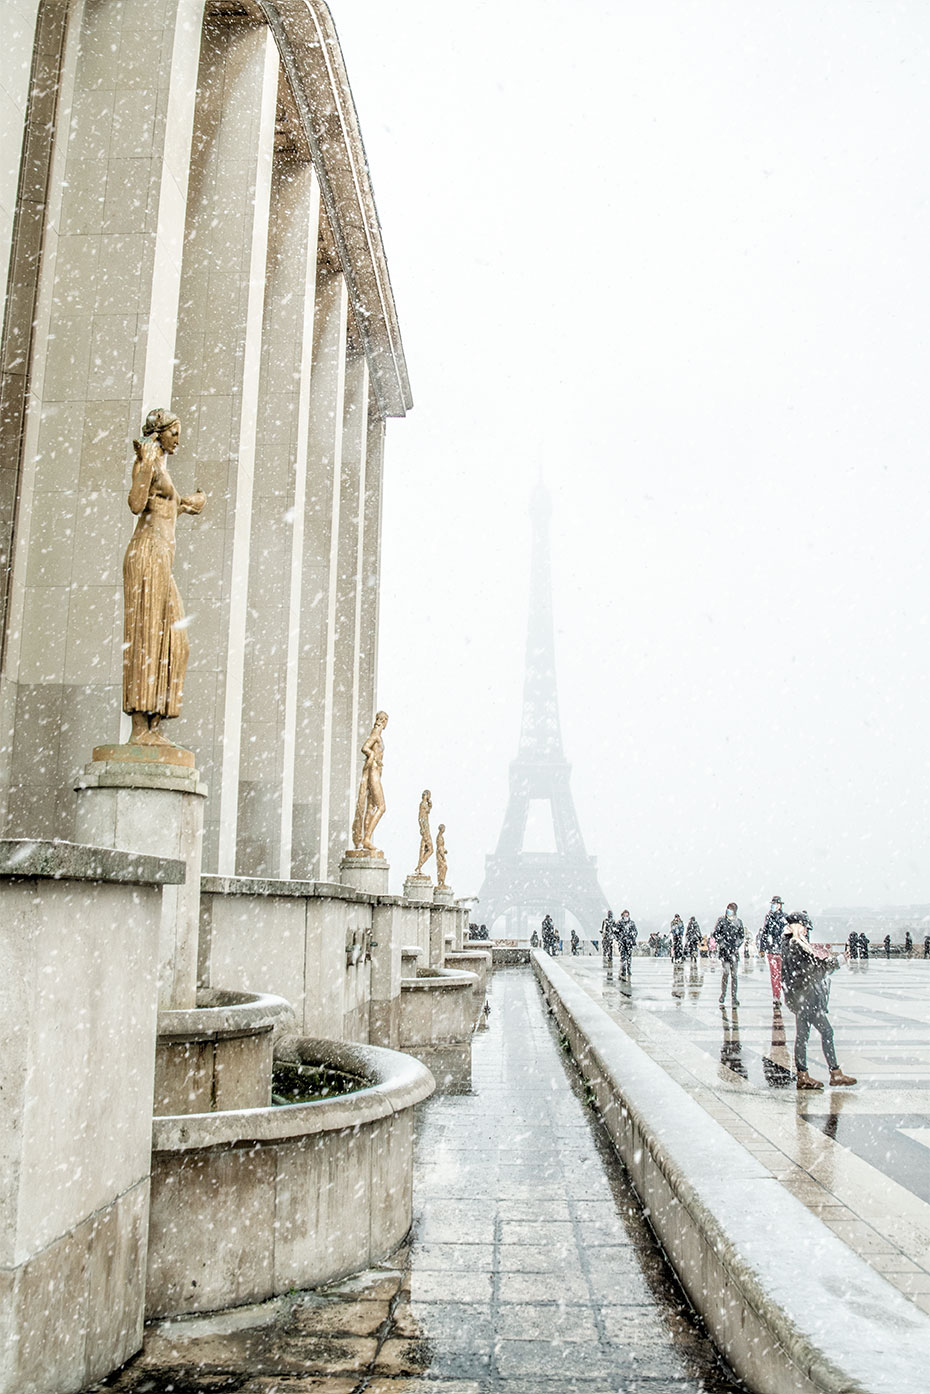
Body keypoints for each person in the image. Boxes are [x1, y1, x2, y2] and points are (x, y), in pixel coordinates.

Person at [123, 408, 205, 745]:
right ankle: (141, 727)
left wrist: (186, 504)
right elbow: (135, 502)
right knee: (146, 637)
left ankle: (155, 723)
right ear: (159, 433)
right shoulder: (150, 460)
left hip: (160, 558)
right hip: (146, 555)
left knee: (176, 642)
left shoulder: (161, 464)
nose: (178, 439)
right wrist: (145, 460)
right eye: (174, 432)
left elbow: (161, 507)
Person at [782, 911, 856, 1090]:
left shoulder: (790, 945)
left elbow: (811, 968)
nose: (807, 931)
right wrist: (838, 961)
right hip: (806, 998)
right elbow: (815, 969)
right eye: (806, 928)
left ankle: (804, 1075)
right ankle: (833, 1073)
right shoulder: (795, 945)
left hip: (801, 997)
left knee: (802, 1036)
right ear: (798, 927)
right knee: (826, 1032)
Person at [713, 902, 745, 1006]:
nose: (729, 911)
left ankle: (734, 997)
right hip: (725, 952)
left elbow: (741, 936)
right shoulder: (722, 921)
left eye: (731, 909)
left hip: (734, 952)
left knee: (734, 975)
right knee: (726, 972)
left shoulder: (738, 922)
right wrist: (722, 943)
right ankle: (723, 994)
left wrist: (736, 945)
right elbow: (716, 933)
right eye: (728, 909)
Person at [759, 896, 786, 1005]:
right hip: (772, 950)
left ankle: (785, 995)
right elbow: (765, 933)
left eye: (775, 903)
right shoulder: (769, 917)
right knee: (775, 974)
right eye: (772, 903)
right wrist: (762, 948)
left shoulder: (784, 918)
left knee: (783, 975)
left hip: (782, 950)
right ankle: (776, 996)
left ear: (780, 905)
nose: (773, 905)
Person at [617, 910, 637, 975]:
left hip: (629, 943)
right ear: (622, 915)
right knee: (623, 956)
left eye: (627, 915)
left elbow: (635, 932)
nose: (626, 917)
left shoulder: (632, 923)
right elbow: (616, 931)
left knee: (629, 956)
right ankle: (623, 969)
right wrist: (619, 938)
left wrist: (632, 937)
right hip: (622, 943)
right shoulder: (619, 923)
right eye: (625, 915)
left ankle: (628, 968)